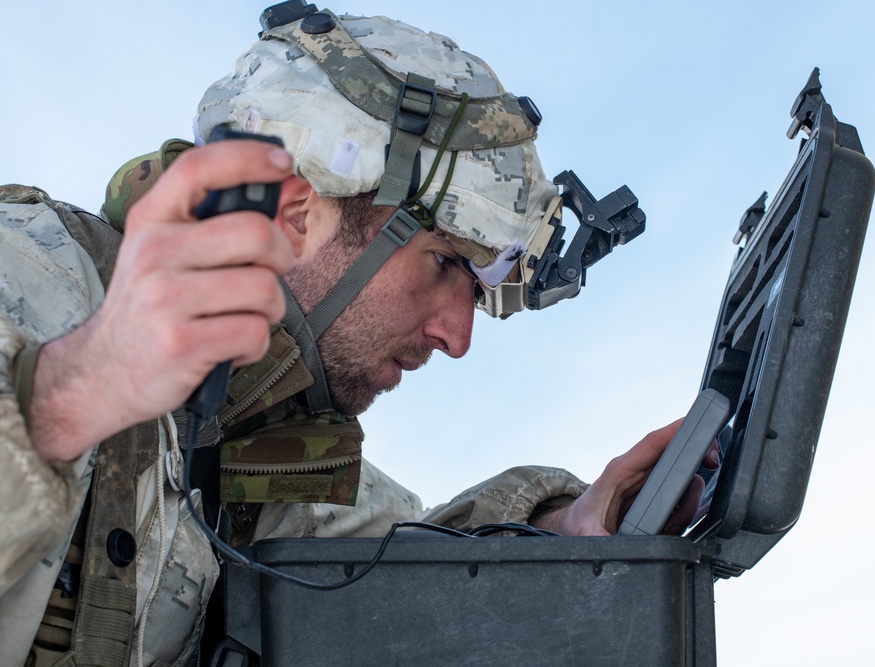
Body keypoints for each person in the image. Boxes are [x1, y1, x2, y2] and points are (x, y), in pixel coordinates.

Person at [0, 7, 717, 666]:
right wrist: (70, 392)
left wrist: (565, 527)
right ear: (297, 213)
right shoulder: (33, 274)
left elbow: (418, 549)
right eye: (442, 262)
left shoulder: (262, 455)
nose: (457, 337)